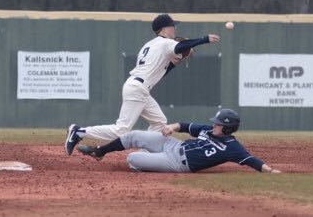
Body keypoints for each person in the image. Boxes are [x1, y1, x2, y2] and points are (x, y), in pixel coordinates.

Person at [66, 14, 220, 155]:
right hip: (137, 88)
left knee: (159, 122)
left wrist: (174, 63)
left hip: (139, 88)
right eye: (172, 26)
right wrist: (204, 39)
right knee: (121, 130)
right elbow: (180, 47)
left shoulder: (151, 45)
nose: (175, 28)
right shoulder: (165, 43)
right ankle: (79, 132)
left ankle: (145, 153)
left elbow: (161, 71)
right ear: (164, 29)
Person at [76, 109, 282, 173]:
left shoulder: (233, 147)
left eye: (218, 124)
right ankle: (100, 151)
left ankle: (150, 158)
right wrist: (172, 127)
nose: (214, 125)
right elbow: (184, 125)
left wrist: (270, 171)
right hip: (173, 144)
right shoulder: (208, 130)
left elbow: (251, 160)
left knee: (133, 159)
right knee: (133, 135)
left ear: (227, 128)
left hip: (177, 163)